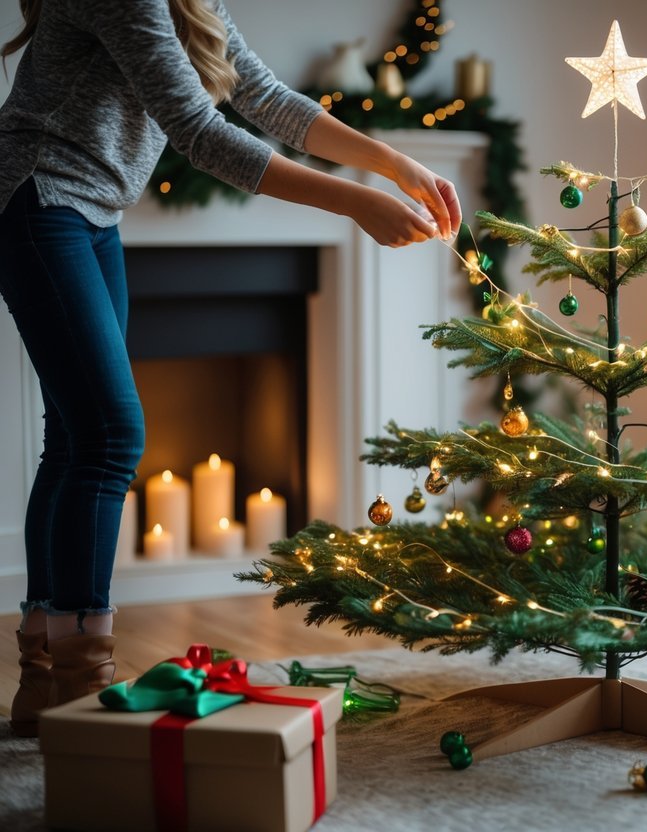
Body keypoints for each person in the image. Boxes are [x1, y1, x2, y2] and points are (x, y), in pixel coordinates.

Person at [0, 0, 461, 737]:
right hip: (41, 200)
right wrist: (354, 203)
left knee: (75, 439)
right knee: (110, 437)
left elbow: (263, 98)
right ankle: (83, 692)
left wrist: (395, 163)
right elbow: (201, 135)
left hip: (95, 213)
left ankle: (46, 686)